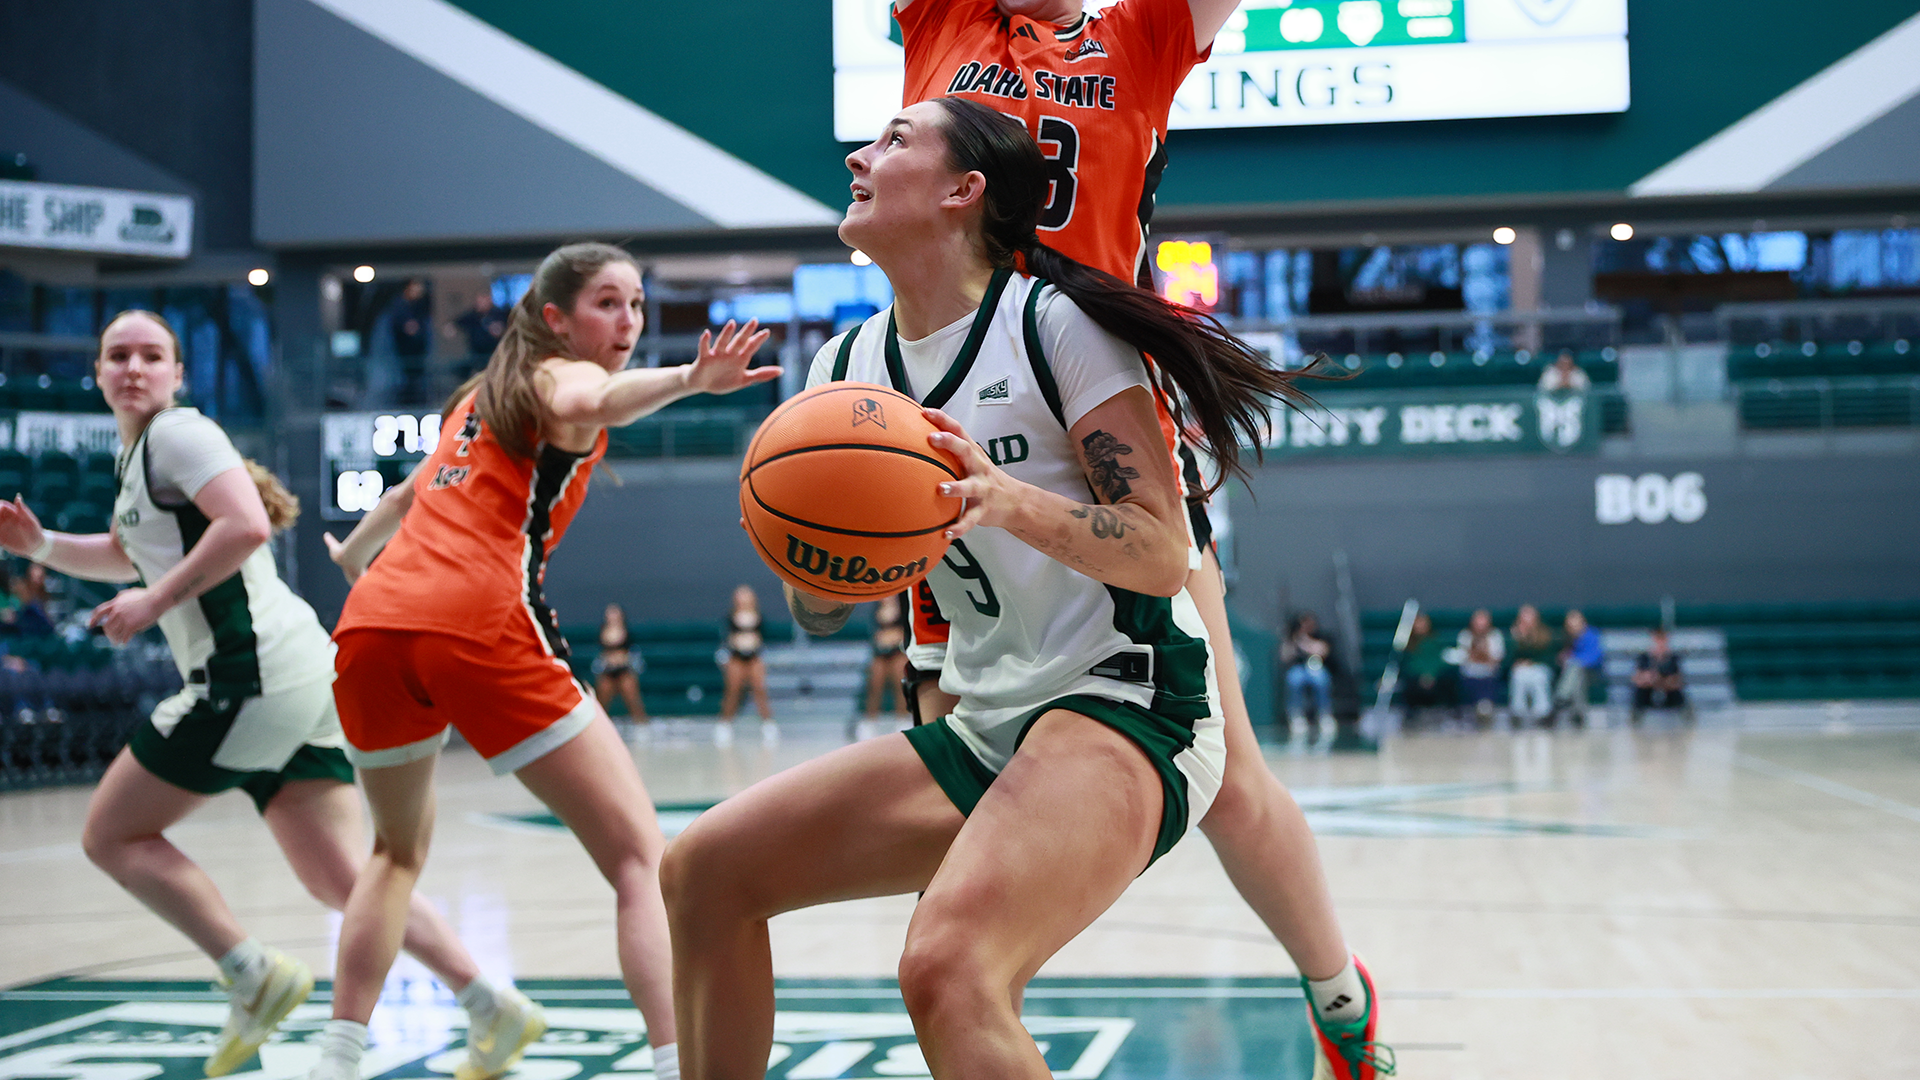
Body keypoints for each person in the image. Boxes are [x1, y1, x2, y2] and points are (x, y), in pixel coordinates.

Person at [662, 96, 1387, 1080]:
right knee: (703, 873)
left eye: (892, 141)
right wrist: (811, 560)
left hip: (1134, 705)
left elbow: (1162, 552)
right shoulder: (842, 370)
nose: (855, 154)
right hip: (990, 721)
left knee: (950, 967)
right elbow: (819, 608)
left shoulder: (1059, 329)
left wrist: (1006, 503)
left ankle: (1338, 993)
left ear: (964, 191)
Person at [896, 3, 1386, 1073]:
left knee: (1232, 779)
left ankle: (1343, 1004)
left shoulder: (1145, 30)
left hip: (1093, 426)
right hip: (946, 429)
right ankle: (969, 1009)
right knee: (952, 764)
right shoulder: (947, 18)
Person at [0, 310, 522, 1080]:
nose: (134, 367)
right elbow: (128, 552)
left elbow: (244, 524)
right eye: (119, 355)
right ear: (101, 373)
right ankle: (492, 1006)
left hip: (252, 674)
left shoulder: (178, 434)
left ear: (179, 373)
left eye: (152, 355)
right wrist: (43, 548)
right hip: (304, 674)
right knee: (344, 880)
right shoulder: (139, 455)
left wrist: (152, 603)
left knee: (111, 834)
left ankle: (250, 972)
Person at [312, 243, 777, 1080]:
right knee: (642, 859)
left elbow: (406, 495)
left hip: (371, 627)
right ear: (555, 317)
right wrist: (686, 381)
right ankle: (678, 1064)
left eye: (637, 304)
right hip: (475, 623)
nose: (628, 321)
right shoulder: (554, 379)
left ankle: (335, 1060)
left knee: (392, 854)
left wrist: (351, 556)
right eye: (608, 303)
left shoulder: (470, 403)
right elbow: (594, 396)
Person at [718, 584, 772, 728]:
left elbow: (762, 638)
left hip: (754, 657)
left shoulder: (759, 617)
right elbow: (727, 639)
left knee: (759, 689)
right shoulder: (730, 617)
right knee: (733, 690)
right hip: (736, 657)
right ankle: (725, 724)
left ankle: (768, 724)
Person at [595, 602, 649, 725]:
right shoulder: (602, 632)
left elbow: (630, 654)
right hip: (608, 672)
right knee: (602, 697)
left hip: (624, 671)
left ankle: (640, 723)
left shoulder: (627, 633)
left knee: (631, 694)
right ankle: (599, 725)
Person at [1280, 611, 1334, 731]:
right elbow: (1284, 656)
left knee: (1321, 680)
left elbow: (1323, 651)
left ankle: (1324, 714)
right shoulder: (1292, 638)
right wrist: (1296, 644)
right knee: (1294, 680)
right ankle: (1296, 716)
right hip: (1298, 668)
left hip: (1315, 667)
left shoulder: (1319, 636)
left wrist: (1307, 644)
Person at [1399, 612, 1454, 723]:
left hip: (1434, 679)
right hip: (1417, 679)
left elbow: (1438, 661)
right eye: (1418, 624)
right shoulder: (1409, 646)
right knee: (1409, 683)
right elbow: (1410, 665)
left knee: (1448, 680)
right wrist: (1422, 677)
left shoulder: (1435, 641)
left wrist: (1431, 675)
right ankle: (1410, 716)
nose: (1420, 627)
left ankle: (1449, 713)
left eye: (1423, 623)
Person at [1507, 604, 1556, 726]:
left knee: (1538, 678)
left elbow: (1548, 657)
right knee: (1519, 676)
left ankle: (1543, 714)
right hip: (1521, 670)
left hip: (1541, 668)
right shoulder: (1513, 636)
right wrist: (1520, 640)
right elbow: (1509, 659)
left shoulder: (1546, 634)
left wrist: (1531, 662)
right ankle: (1517, 714)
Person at [1555, 609, 1604, 725]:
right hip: (1574, 674)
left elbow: (1595, 657)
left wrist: (1574, 660)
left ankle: (1562, 695)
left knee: (1576, 668)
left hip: (1592, 673)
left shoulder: (1592, 635)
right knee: (1577, 677)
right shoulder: (1567, 638)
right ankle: (1578, 715)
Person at [1455, 608, 1505, 721]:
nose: (1481, 626)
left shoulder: (1495, 636)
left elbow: (1495, 659)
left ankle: (1485, 706)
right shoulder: (1465, 636)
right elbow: (1465, 658)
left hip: (1489, 674)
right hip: (1470, 674)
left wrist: (1483, 653)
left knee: (1488, 678)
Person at [865, 591, 908, 718]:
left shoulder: (904, 602)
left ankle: (902, 720)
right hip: (881, 651)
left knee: (900, 679)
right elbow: (873, 631)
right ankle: (870, 721)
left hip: (900, 649)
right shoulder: (875, 604)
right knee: (875, 680)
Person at [1631, 627, 1688, 722]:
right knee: (1639, 693)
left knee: (1677, 693)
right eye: (1658, 639)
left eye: (1663, 639)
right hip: (1648, 690)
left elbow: (1678, 680)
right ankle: (1636, 721)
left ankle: (1686, 721)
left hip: (1668, 690)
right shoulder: (1644, 657)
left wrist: (1660, 681)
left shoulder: (1673, 658)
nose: (1660, 643)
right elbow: (1637, 678)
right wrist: (1649, 679)